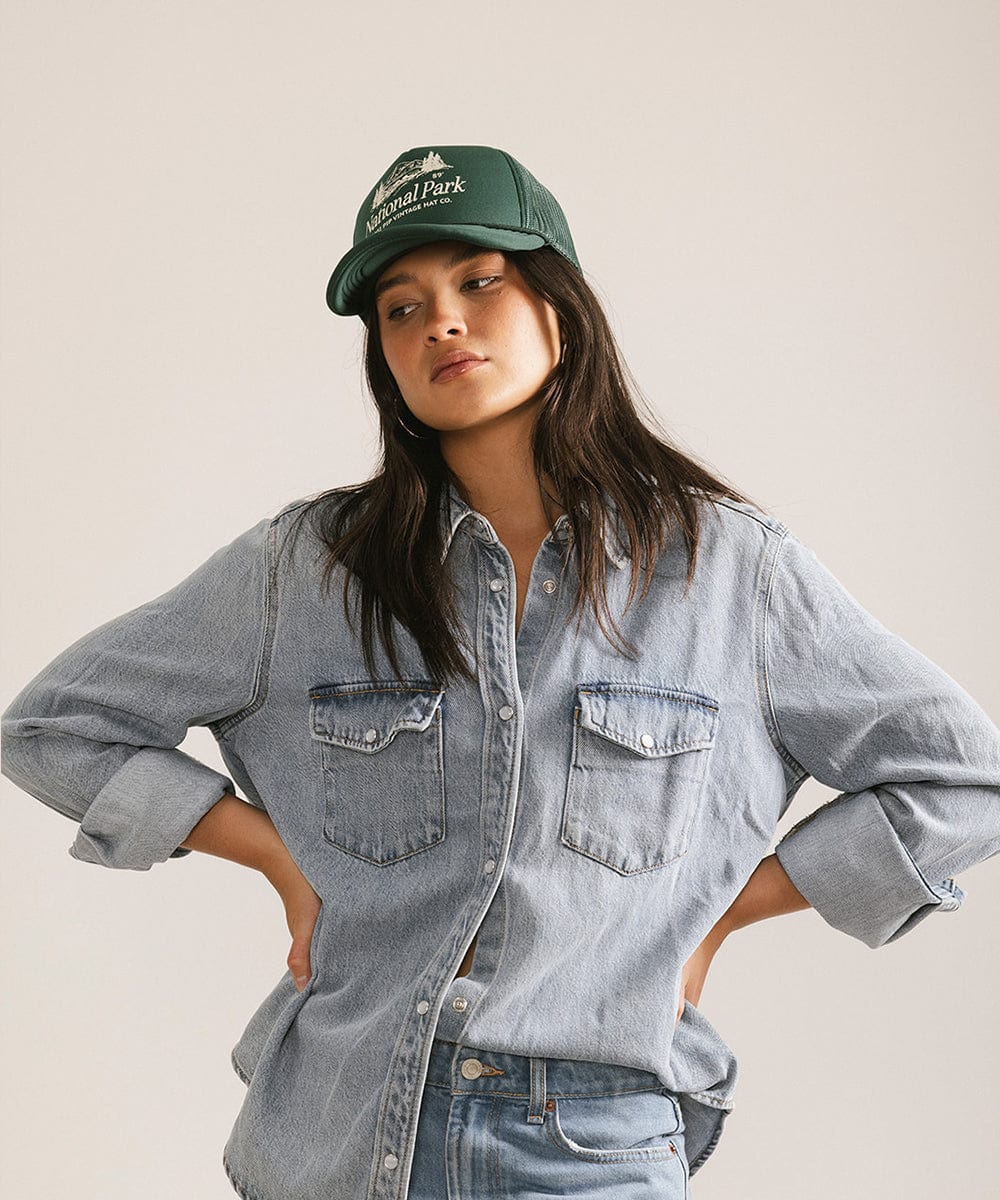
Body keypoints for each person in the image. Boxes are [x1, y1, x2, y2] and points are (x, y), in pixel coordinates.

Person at [2, 143, 998, 1200]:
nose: (439, 321)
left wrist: (721, 913)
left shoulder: (730, 574)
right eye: (400, 306)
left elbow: (960, 780)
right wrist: (276, 859)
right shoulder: (307, 570)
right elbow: (53, 728)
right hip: (343, 1138)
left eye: (479, 282)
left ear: (560, 310)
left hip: (587, 1141)